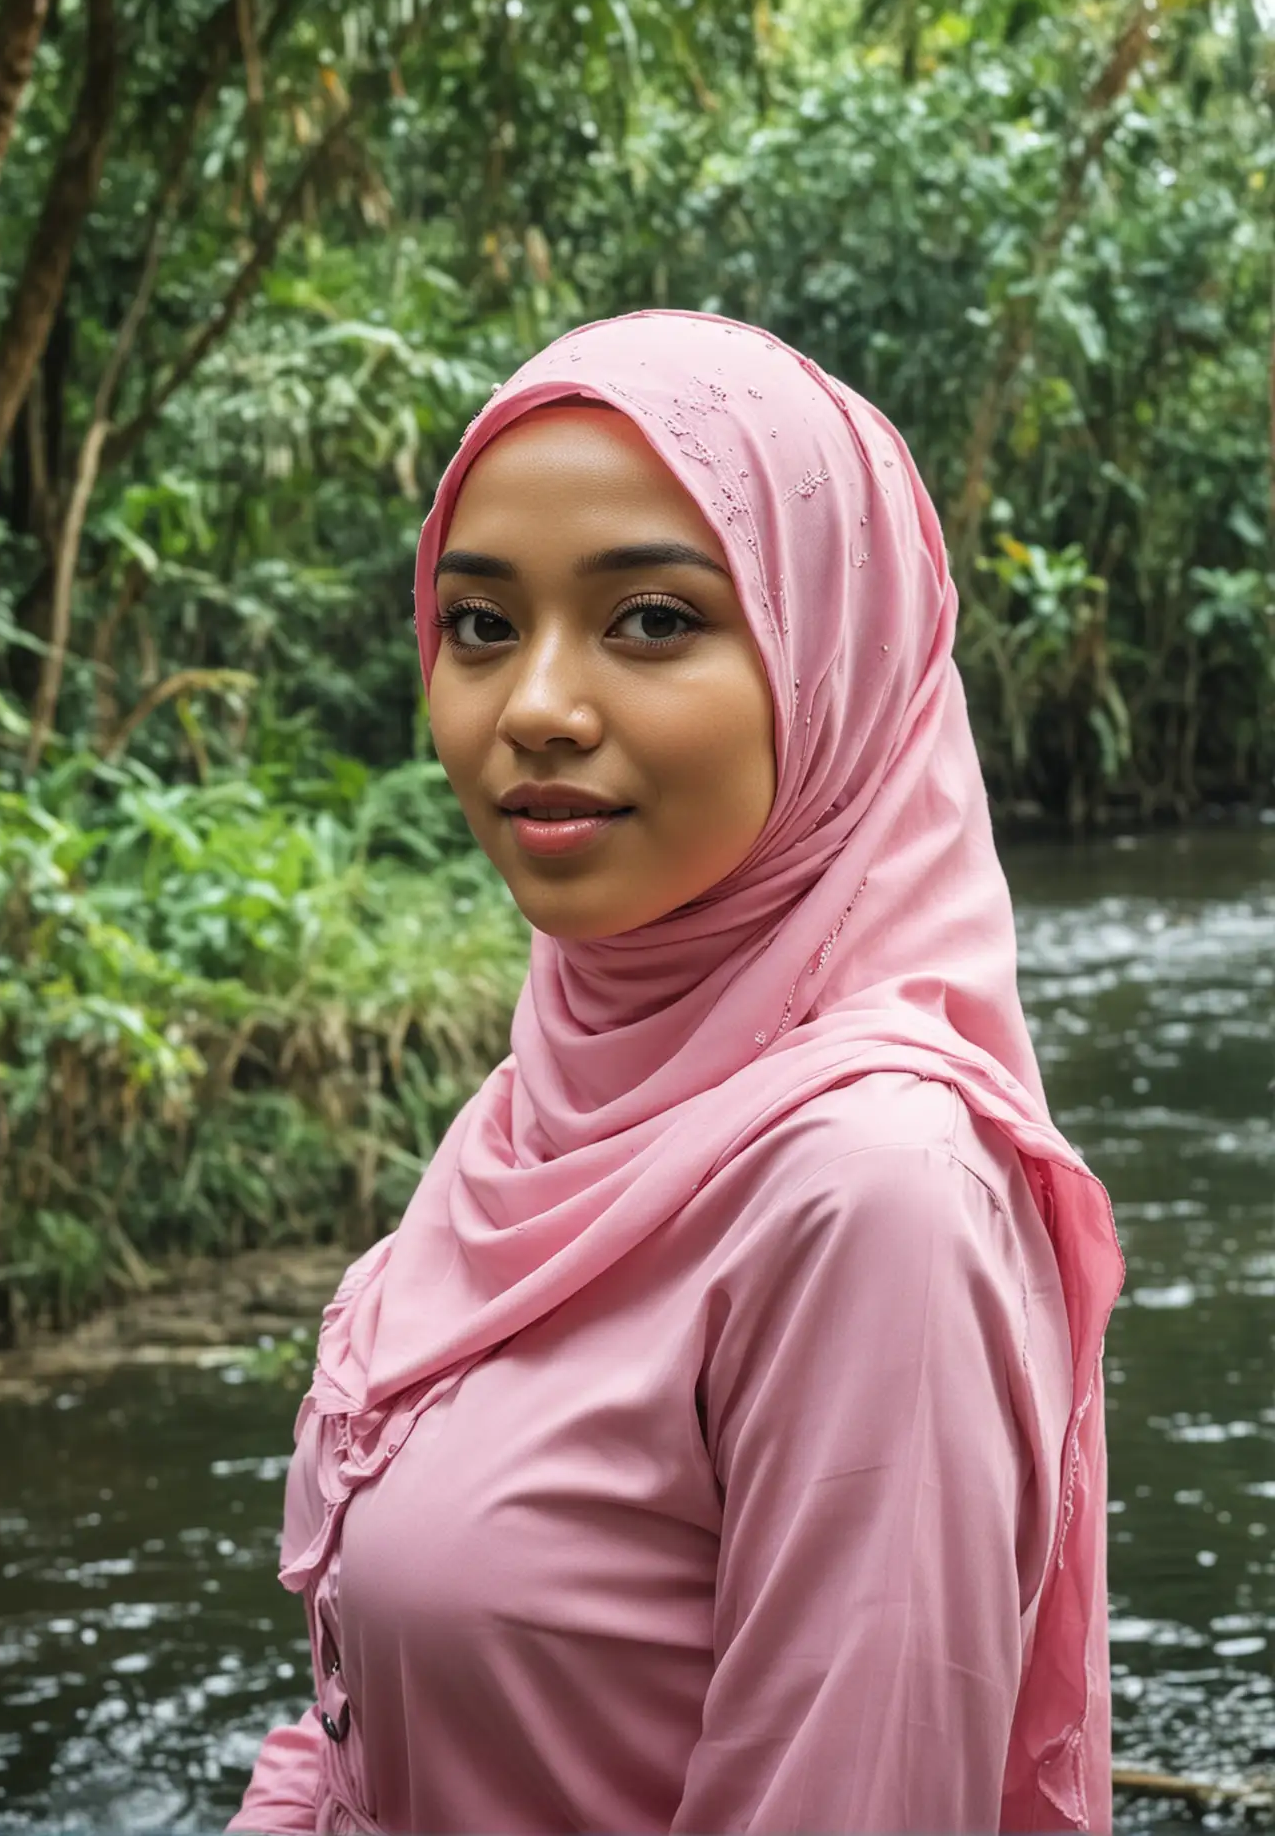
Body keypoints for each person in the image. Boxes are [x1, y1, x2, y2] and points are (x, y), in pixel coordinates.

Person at [227, 310, 1125, 1835]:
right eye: (481, 625)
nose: (536, 709)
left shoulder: (873, 1201)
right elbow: (352, 1729)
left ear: (829, 655)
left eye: (652, 619)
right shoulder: (552, 1097)